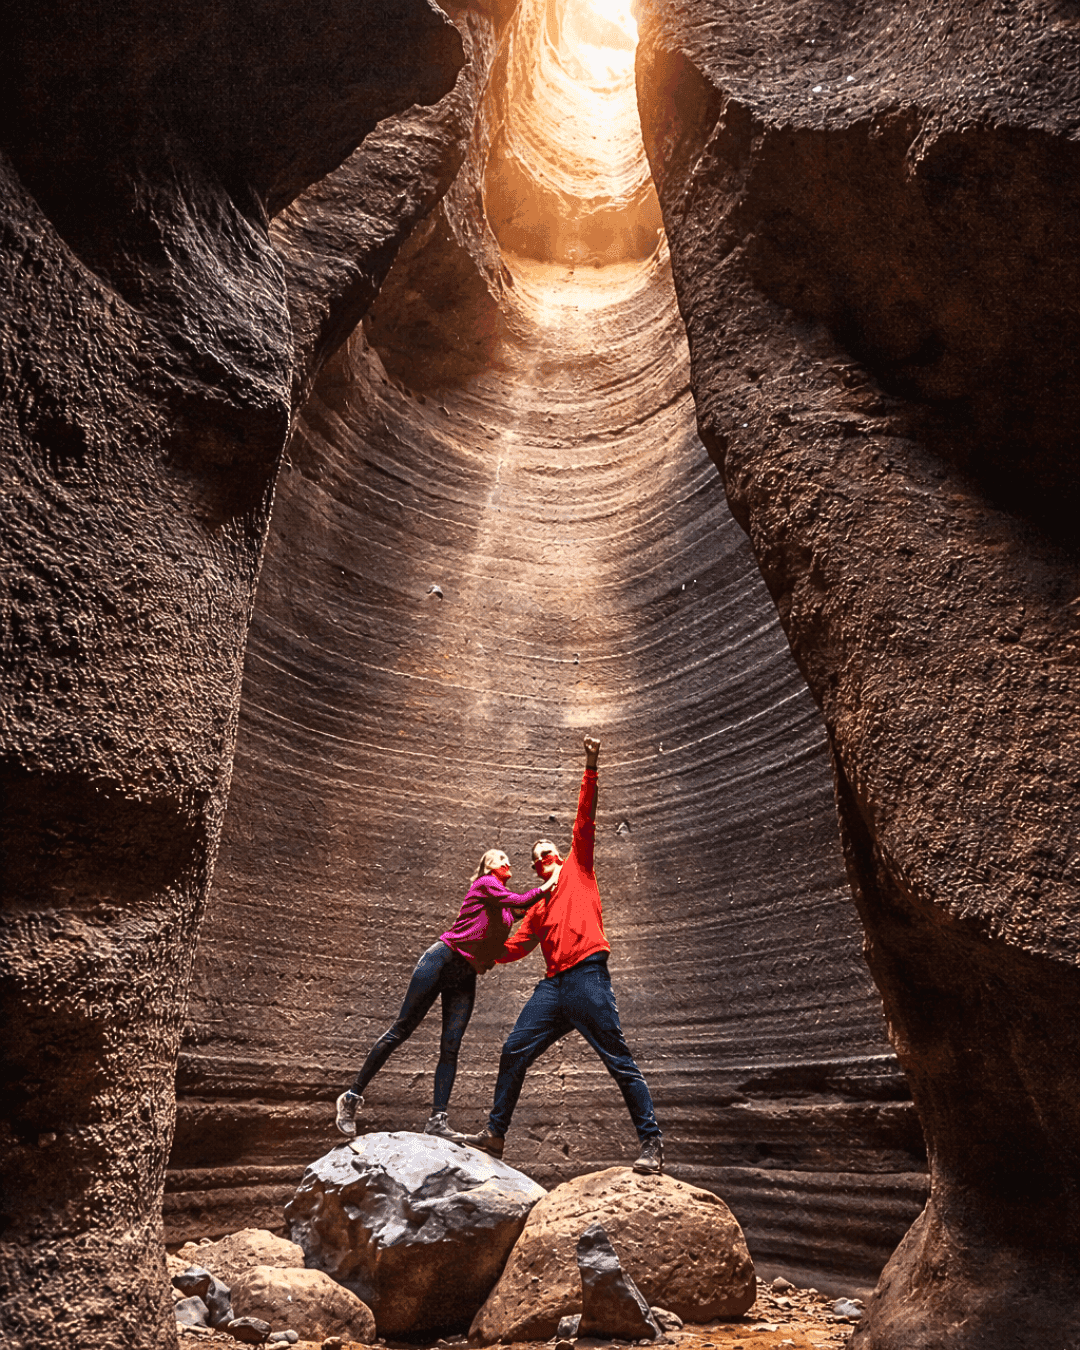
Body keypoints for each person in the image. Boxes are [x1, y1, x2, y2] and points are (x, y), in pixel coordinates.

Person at [461, 735, 664, 1174]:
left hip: (588, 977)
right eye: (538, 856)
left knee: (618, 1059)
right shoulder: (535, 905)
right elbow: (515, 946)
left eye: (549, 848)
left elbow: (583, 819)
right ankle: (495, 1135)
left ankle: (651, 1143)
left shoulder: (579, 866)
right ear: (536, 869)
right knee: (515, 1049)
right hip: (554, 988)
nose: (546, 854)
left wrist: (591, 765)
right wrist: (478, 954)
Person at [334, 849, 556, 1140]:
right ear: (488, 866)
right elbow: (523, 900)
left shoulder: (502, 906)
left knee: (451, 1046)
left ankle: (437, 1120)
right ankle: (351, 1098)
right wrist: (552, 879)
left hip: (465, 974)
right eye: (500, 858)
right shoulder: (486, 885)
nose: (507, 861)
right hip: (442, 960)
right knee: (401, 1029)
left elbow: (524, 910)